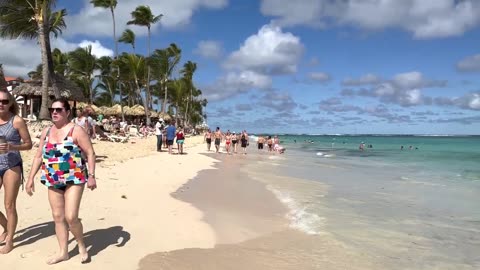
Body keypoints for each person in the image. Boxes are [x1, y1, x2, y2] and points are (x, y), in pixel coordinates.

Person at [25, 98, 96, 264]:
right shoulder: (47, 131)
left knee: (71, 217)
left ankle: (81, 244)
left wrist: (91, 176)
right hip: (52, 179)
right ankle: (63, 251)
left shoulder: (76, 130)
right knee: (58, 216)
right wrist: (30, 179)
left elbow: (91, 153)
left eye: (59, 110)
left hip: (74, 178)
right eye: (52, 110)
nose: (54, 112)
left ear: (67, 112)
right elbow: (38, 156)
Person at [0, 90, 32, 254]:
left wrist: (13, 146)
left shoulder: (17, 121)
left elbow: (28, 144)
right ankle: (6, 226)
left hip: (11, 165)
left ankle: (10, 240)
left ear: (11, 103)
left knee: (9, 205)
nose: (1, 104)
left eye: (5, 101)